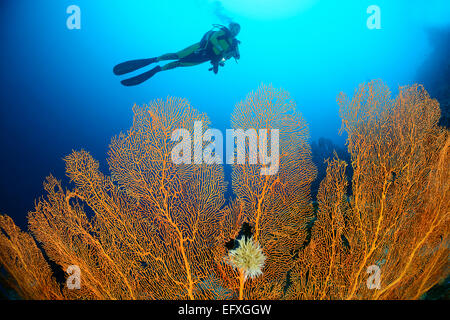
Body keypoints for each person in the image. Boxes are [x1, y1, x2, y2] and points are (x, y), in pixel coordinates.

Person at [113, 22, 241, 86]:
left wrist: (223, 59)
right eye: (234, 28)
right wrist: (221, 50)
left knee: (180, 64)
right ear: (230, 27)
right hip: (199, 48)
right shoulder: (223, 32)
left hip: (204, 58)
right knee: (177, 55)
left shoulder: (233, 44)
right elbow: (212, 39)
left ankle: (158, 69)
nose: (235, 31)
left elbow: (226, 58)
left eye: (237, 30)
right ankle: (155, 59)